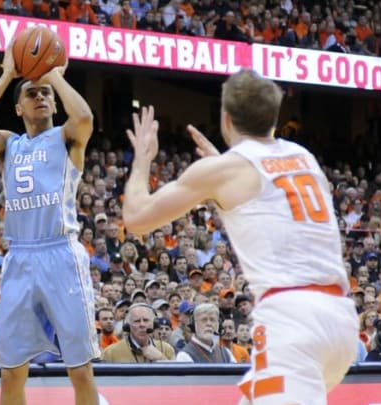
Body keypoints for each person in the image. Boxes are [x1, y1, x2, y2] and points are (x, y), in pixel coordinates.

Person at [122, 70, 358, 404]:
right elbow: (271, 201)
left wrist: (143, 159)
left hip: (293, 321)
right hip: (340, 319)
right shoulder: (304, 157)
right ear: (274, 117)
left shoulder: (227, 171)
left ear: (226, 118)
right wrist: (220, 167)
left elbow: (136, 218)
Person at [0, 44, 99, 404]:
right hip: (20, 257)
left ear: (55, 104)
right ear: (18, 108)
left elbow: (84, 118)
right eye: (31, 92)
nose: (40, 96)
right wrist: (8, 74)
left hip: (61, 254)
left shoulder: (67, 138)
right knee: (10, 372)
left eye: (46, 94)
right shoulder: (10, 144)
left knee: (80, 369)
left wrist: (52, 73)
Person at [101, 303, 175, 362]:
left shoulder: (166, 349)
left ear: (154, 324)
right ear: (128, 326)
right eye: (137, 321)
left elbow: (175, 379)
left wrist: (161, 358)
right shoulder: (110, 352)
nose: (142, 325)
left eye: (146, 320)